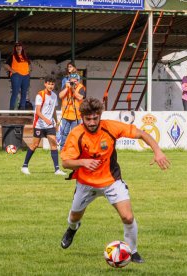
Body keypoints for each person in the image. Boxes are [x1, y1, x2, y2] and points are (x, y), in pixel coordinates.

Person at [59, 97, 170, 263]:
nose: (91, 122)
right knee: (74, 217)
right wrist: (82, 162)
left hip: (112, 181)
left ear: (100, 116)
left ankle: (132, 252)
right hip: (85, 183)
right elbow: (66, 163)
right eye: (88, 119)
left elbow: (142, 134)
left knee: (128, 217)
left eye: (95, 118)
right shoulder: (76, 134)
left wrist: (158, 151)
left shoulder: (110, 127)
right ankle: (72, 229)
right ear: (82, 117)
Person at [21, 78, 66, 176]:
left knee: (53, 144)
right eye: (49, 84)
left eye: (52, 84)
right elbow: (37, 111)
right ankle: (24, 166)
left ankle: (57, 169)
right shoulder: (40, 95)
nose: (51, 86)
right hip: (39, 125)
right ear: (45, 84)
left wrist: (56, 122)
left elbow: (53, 109)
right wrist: (46, 120)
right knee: (35, 145)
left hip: (50, 125)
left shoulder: (54, 96)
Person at [58, 73, 86, 149]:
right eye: (71, 81)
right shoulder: (66, 86)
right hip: (66, 114)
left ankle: (75, 148)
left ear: (78, 81)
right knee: (64, 133)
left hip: (77, 115)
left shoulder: (81, 88)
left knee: (75, 134)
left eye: (75, 81)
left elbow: (80, 98)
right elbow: (60, 96)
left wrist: (73, 90)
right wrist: (67, 88)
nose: (73, 82)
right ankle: (62, 149)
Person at [4, 42, 31, 110]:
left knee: (24, 93)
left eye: (20, 46)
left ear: (22, 48)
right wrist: (12, 71)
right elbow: (5, 65)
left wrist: (28, 72)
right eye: (17, 46)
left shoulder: (25, 57)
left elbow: (29, 65)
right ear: (15, 48)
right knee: (15, 92)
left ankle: (22, 108)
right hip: (16, 76)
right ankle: (12, 109)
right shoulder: (12, 56)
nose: (18, 47)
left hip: (26, 76)